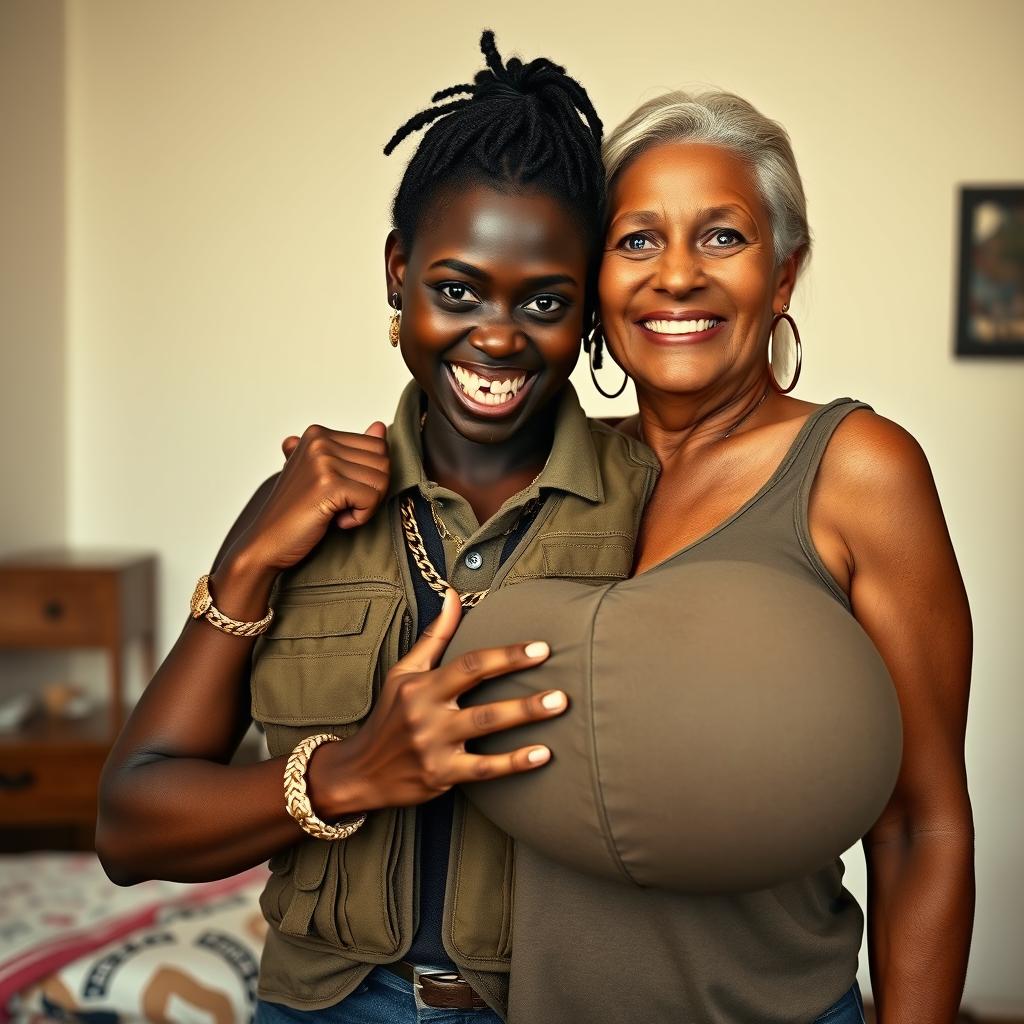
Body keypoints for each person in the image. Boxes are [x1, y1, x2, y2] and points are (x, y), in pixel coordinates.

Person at [95, 32, 659, 1023]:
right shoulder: (299, 508)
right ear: (398, 273)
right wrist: (351, 765)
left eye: (544, 302)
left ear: (590, 314)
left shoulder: (657, 496)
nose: (496, 335)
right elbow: (131, 824)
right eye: (456, 290)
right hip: (331, 1006)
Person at [498, 89, 974, 1024]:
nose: (677, 276)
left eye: (722, 237)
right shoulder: (544, 474)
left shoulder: (857, 471)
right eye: (637, 240)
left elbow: (924, 824)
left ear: (784, 274)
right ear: (593, 278)